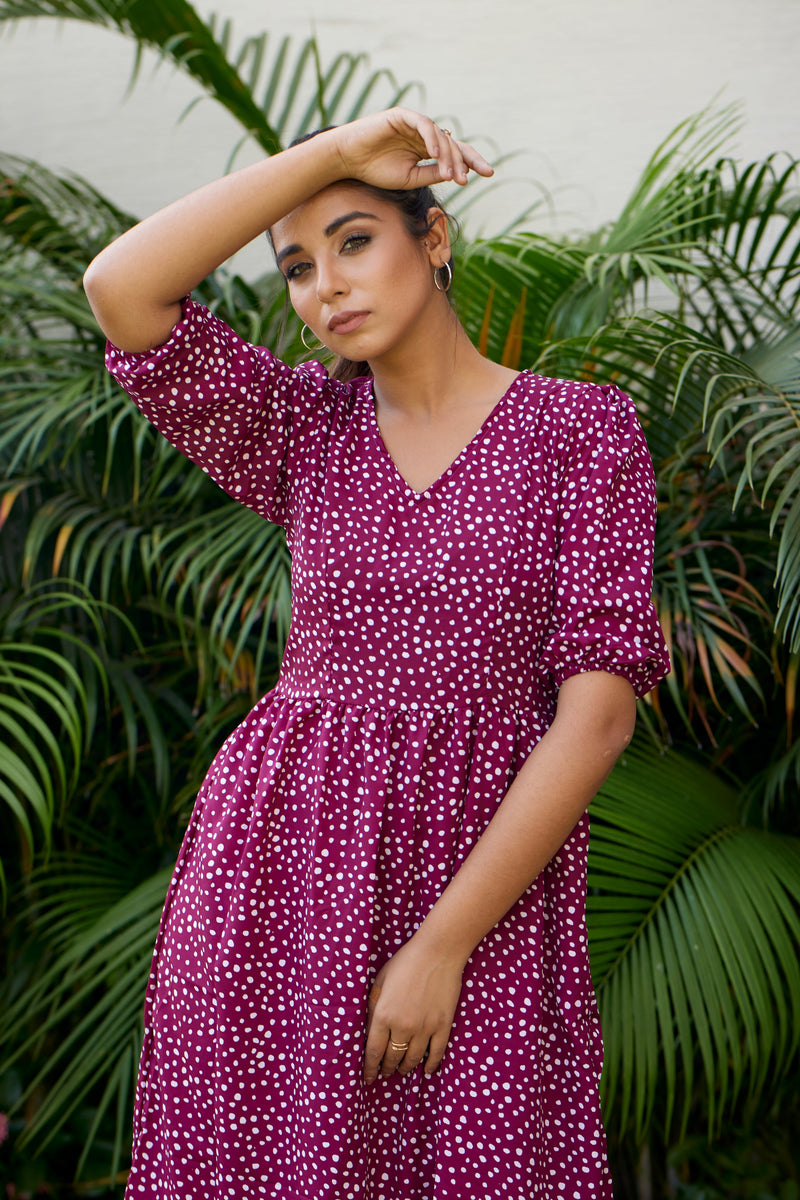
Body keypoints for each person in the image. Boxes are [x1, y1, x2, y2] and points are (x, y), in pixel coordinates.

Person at [84, 107, 669, 1200]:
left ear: (432, 238)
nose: (327, 287)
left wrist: (442, 945)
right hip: (285, 878)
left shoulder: (578, 432)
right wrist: (333, 156)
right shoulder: (303, 427)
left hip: (485, 890)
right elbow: (122, 289)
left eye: (354, 239)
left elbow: (596, 718)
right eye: (298, 267)